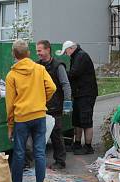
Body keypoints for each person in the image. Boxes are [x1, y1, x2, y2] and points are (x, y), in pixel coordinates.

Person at [5, 39, 56, 182]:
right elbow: (52, 87)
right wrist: (41, 100)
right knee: (39, 152)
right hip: (39, 115)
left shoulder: (11, 75)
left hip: (21, 118)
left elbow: (10, 103)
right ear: (28, 53)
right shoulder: (39, 69)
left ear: (13, 54)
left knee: (19, 153)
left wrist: (10, 125)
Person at [36, 39, 72, 170]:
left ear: (47, 50)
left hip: (55, 106)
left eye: (40, 50)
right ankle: (38, 160)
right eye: (37, 51)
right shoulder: (37, 66)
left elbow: (65, 84)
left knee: (56, 135)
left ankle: (60, 161)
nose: (38, 53)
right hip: (40, 106)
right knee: (39, 134)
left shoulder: (58, 66)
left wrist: (67, 102)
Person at [57, 41, 97, 155]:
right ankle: (77, 143)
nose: (65, 54)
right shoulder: (76, 56)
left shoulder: (81, 56)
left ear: (71, 48)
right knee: (77, 120)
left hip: (86, 93)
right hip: (79, 93)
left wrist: (62, 74)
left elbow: (74, 73)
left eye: (66, 51)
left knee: (86, 120)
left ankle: (88, 146)